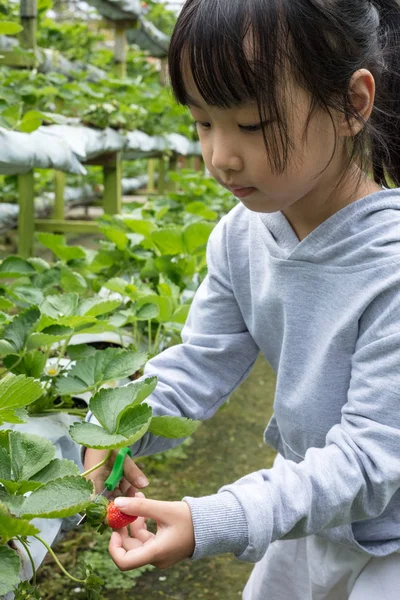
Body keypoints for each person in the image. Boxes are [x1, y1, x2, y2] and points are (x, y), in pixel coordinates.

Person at [82, 0, 400, 597]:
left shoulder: (391, 266)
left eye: (251, 125)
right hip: (308, 509)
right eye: (203, 122)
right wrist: (117, 432)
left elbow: (369, 460)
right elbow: (202, 361)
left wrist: (213, 520)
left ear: (352, 105)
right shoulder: (240, 235)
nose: (220, 157)